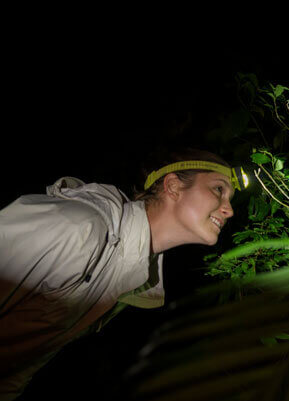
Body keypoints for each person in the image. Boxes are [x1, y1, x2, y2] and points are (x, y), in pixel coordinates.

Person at [0, 148, 236, 400]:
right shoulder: (78, 228)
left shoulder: (131, 276)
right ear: (173, 187)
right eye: (218, 190)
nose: (229, 210)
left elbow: (24, 359)